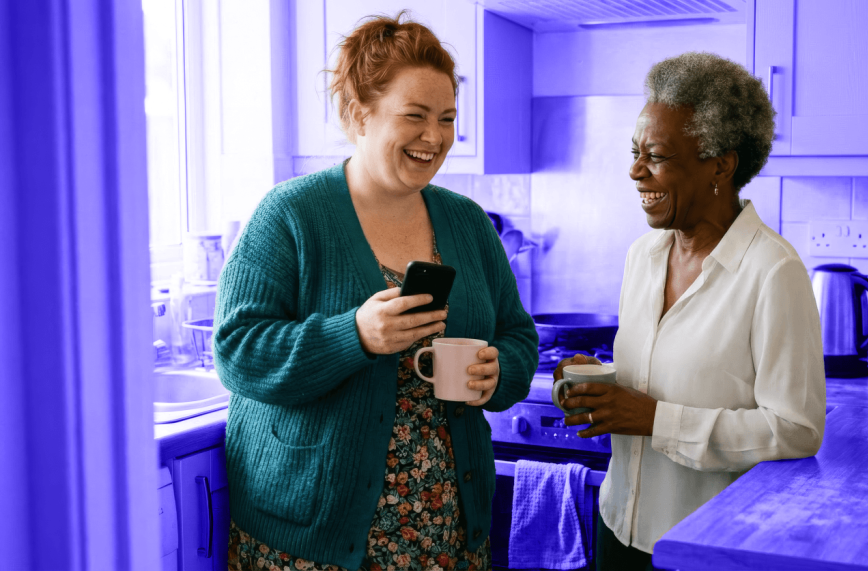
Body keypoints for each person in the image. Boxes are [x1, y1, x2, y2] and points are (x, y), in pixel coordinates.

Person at [214, 13, 538, 571]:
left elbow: (516, 334)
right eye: (414, 116)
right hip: (312, 541)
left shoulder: (467, 222)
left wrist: (499, 372)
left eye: (446, 118)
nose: (434, 137)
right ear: (357, 115)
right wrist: (354, 336)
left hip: (446, 534)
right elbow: (237, 351)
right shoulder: (290, 214)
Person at [555, 52, 826, 570]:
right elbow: (653, 379)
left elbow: (796, 430)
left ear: (720, 164)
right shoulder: (643, 256)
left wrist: (659, 421)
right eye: (635, 152)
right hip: (617, 526)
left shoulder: (772, 271)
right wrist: (592, 381)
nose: (635, 171)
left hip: (704, 546)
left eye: (655, 155)